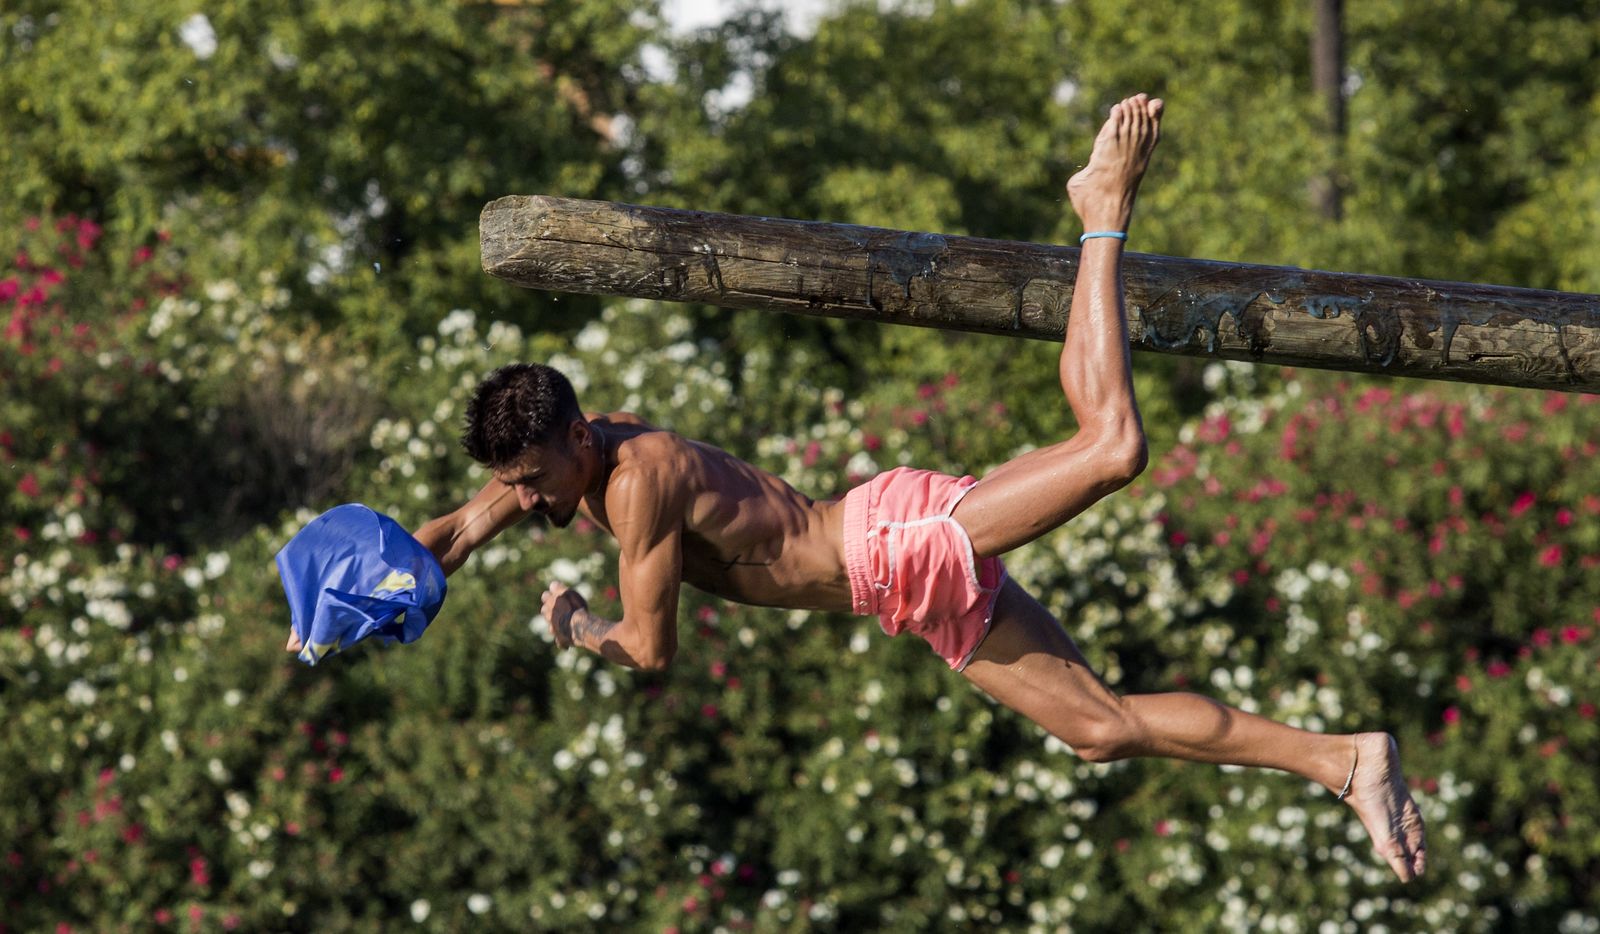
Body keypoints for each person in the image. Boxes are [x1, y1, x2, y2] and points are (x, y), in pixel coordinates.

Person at [286, 94, 1426, 881]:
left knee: (1113, 446)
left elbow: (651, 650)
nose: (526, 504)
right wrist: (338, 599)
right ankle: (1343, 760)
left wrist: (581, 628)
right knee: (1100, 728)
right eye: (517, 487)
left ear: (579, 435)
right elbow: (449, 534)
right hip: (904, 590)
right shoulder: (552, 471)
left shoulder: (638, 484)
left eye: (536, 481)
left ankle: (1101, 209)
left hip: (894, 537)